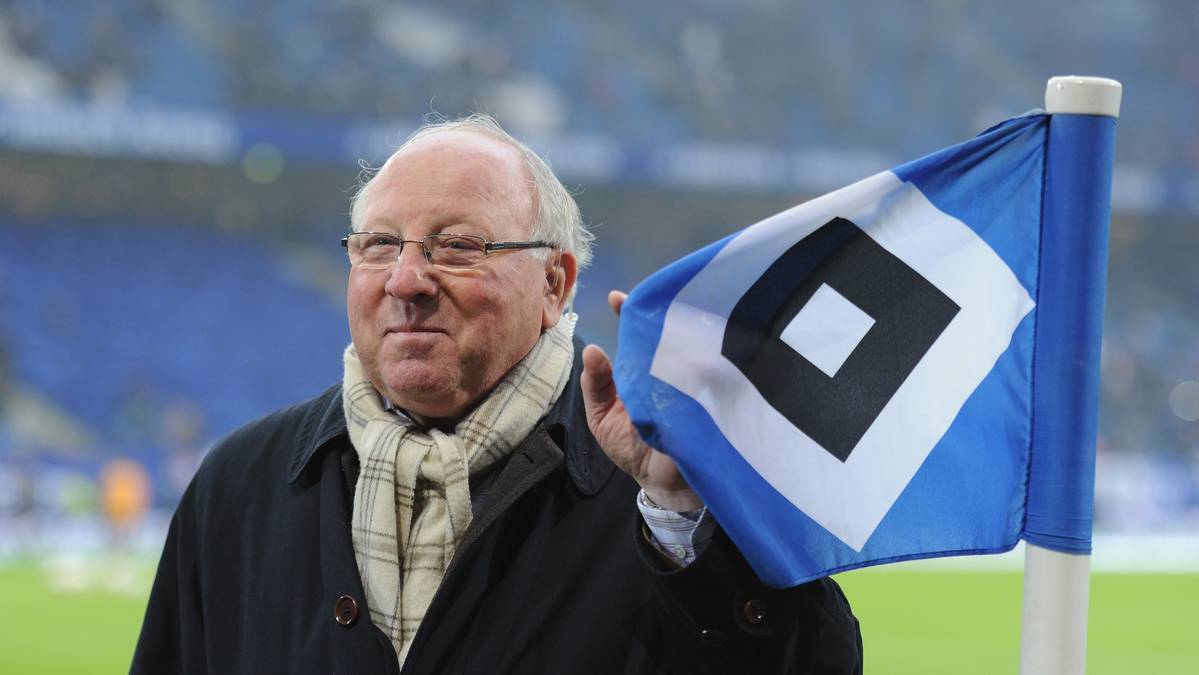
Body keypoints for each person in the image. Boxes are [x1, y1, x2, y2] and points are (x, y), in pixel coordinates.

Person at [132, 114, 862, 674]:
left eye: (458, 246)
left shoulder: (675, 476)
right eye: (379, 245)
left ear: (555, 283)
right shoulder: (240, 483)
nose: (406, 280)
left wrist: (686, 522)